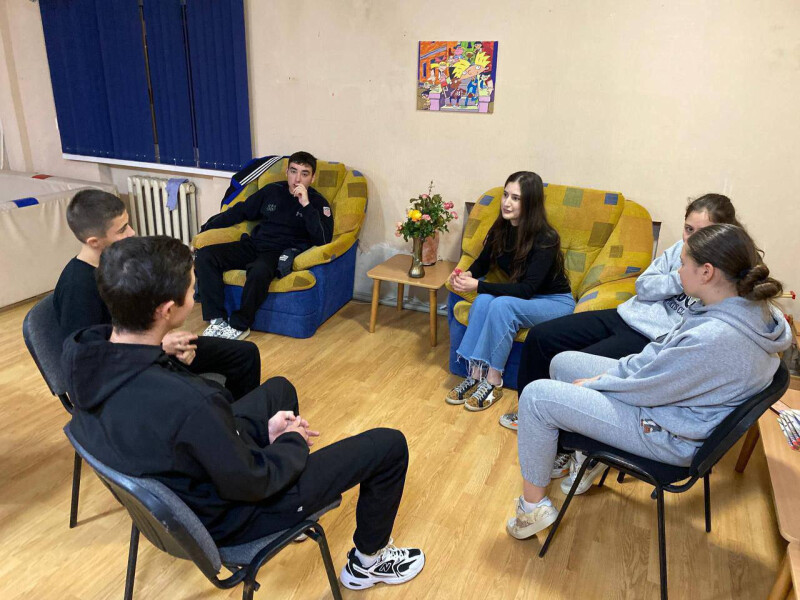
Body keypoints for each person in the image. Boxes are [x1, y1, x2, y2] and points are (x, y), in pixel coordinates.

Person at [63, 236, 425, 590]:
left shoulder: (82, 353)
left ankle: (291, 494)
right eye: (192, 287)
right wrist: (290, 443)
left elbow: (202, 440)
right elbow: (253, 481)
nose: (196, 290)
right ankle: (368, 562)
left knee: (280, 390)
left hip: (185, 477)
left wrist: (260, 433)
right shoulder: (192, 403)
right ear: (167, 310)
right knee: (389, 446)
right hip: (233, 516)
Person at [505, 223, 791, 540]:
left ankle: (531, 510)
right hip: (673, 407)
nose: (678, 271)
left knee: (536, 398)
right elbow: (658, 357)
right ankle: (587, 458)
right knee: (563, 363)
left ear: (707, 272)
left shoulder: (714, 337)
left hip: (669, 433)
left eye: (683, 264)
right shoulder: (746, 308)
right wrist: (605, 377)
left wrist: (594, 384)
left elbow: (647, 389)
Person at [500, 194, 743, 449]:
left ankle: (564, 446)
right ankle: (529, 417)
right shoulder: (678, 251)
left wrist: (684, 278)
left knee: (572, 368)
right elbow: (643, 287)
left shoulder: (724, 278)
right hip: (626, 315)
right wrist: (680, 278)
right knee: (540, 336)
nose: (691, 240)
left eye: (702, 232)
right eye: (688, 229)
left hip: (652, 338)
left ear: (722, 234)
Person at [53, 189, 260, 401]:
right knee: (216, 395)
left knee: (246, 354)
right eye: (122, 229)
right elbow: (88, 359)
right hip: (128, 369)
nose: (132, 232)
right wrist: (159, 348)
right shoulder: (77, 288)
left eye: (128, 224)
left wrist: (162, 340)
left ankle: (240, 417)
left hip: (152, 346)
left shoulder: (120, 264)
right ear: (94, 241)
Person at [446, 172, 574, 411]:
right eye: (505, 195)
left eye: (516, 198)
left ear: (531, 203)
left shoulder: (546, 238)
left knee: (501, 305)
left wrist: (478, 285)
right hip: (524, 297)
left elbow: (526, 289)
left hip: (554, 302)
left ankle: (494, 381)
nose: (506, 203)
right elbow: (483, 263)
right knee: (482, 301)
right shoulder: (501, 228)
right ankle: (475, 375)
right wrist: (468, 275)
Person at [195, 151, 334, 340]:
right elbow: (241, 210)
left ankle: (240, 324)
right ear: (287, 172)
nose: (297, 179)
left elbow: (323, 239)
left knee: (259, 271)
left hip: (278, 252)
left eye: (304, 173)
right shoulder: (272, 190)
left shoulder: (317, 203)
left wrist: (306, 204)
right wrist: (207, 226)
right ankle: (217, 320)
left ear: (313, 177)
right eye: (293, 171)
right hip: (254, 244)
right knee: (206, 255)